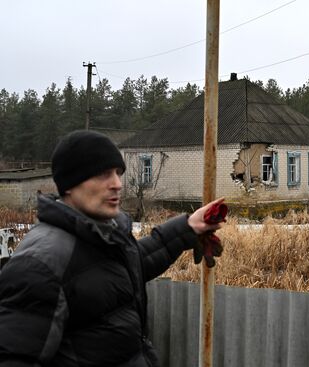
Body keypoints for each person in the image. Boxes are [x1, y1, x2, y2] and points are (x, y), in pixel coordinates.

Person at [0, 130, 223, 366]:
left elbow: (127, 267)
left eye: (118, 173)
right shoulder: (40, 264)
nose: (117, 184)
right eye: (102, 174)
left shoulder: (98, 236)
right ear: (69, 184)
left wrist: (187, 228)